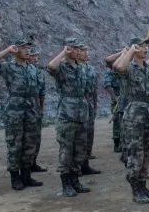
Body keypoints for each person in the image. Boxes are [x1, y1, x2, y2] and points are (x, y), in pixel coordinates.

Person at [0, 39, 43, 190]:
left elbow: (36, 92)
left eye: (28, 48)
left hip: (31, 111)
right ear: (16, 50)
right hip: (15, 111)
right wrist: (7, 50)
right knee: (15, 145)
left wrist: (38, 110)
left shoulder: (32, 69)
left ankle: (26, 176)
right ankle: (15, 178)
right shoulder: (9, 67)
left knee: (29, 144)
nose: (27, 50)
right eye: (23, 48)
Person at [113, 37, 149, 204]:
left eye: (146, 46)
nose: (144, 49)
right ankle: (135, 188)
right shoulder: (129, 68)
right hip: (134, 113)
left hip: (148, 112)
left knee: (147, 151)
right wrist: (130, 50)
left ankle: (143, 185)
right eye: (140, 46)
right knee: (135, 152)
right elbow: (118, 67)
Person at [47, 39, 92, 197]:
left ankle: (75, 180)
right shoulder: (61, 67)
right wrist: (63, 53)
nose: (79, 51)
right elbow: (51, 67)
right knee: (66, 150)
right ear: (67, 49)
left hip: (81, 113)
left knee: (80, 150)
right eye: (75, 48)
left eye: (80, 49)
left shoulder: (82, 68)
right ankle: (66, 183)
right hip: (67, 114)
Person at [78, 45, 101, 176]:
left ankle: (85, 165)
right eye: (83, 51)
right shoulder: (74, 68)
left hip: (89, 105)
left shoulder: (91, 69)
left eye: (87, 51)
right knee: (78, 137)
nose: (86, 53)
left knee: (89, 135)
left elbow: (94, 90)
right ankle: (76, 166)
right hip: (77, 105)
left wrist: (95, 105)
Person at [27, 47, 48, 173]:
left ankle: (33, 162)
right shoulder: (23, 71)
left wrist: (41, 109)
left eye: (37, 56)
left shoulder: (39, 72)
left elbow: (42, 93)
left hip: (36, 108)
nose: (36, 59)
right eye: (33, 56)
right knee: (26, 138)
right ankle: (25, 164)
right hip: (25, 108)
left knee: (36, 137)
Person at [102, 58, 123, 153]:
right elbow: (107, 85)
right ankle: (117, 143)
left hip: (126, 99)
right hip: (117, 100)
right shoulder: (110, 72)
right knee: (117, 121)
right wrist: (115, 98)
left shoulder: (123, 70)